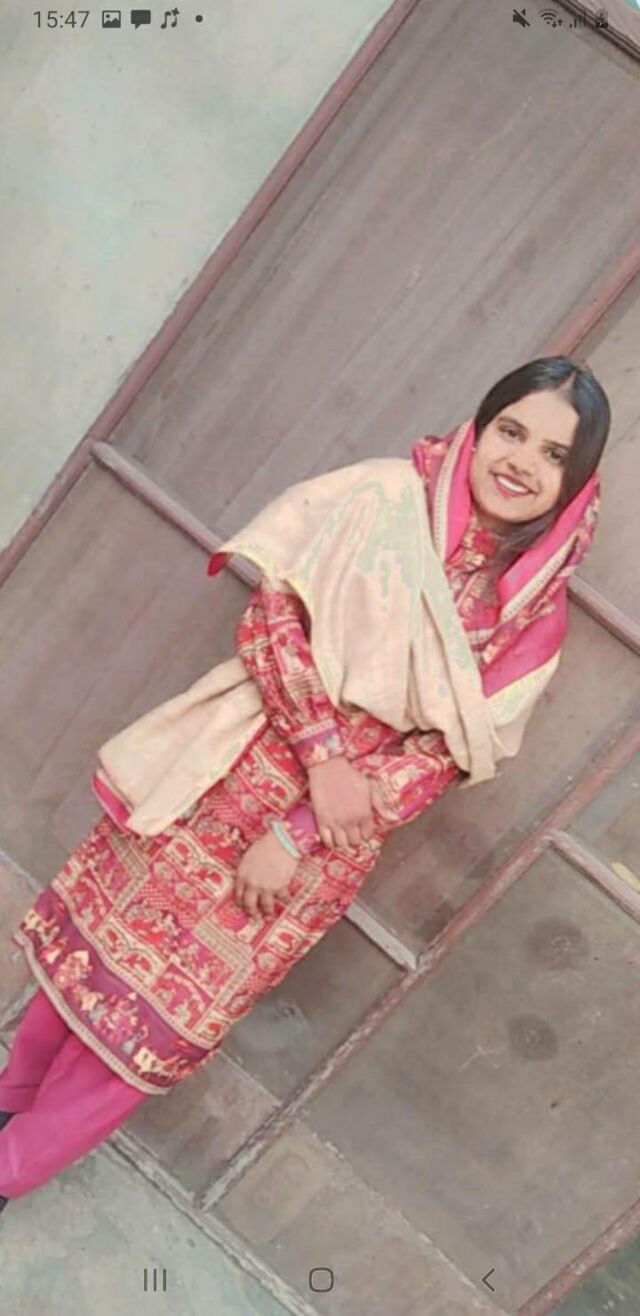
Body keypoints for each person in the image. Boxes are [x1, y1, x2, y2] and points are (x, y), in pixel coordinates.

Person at [0, 355, 609, 1212]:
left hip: (316, 848)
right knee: (89, 958)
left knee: (159, 1023)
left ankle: (9, 1170)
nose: (521, 462)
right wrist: (322, 755)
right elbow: (273, 614)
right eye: (511, 431)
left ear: (574, 484)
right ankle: (9, 1104)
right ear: (480, 427)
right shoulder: (380, 497)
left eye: (553, 454)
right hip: (220, 771)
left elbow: (446, 756)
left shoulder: (530, 614)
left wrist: (298, 831)